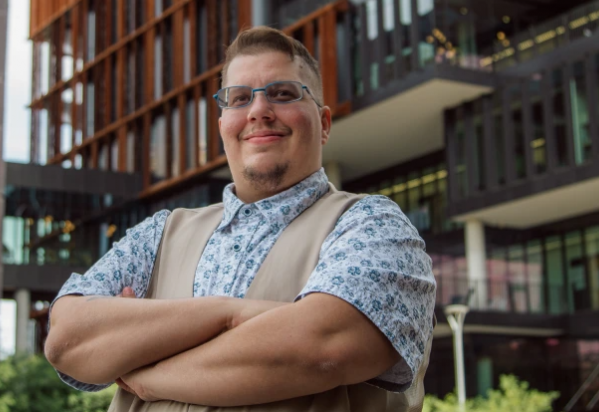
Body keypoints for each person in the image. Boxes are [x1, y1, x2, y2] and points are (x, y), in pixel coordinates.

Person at [45, 27, 437, 412]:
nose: (259, 111)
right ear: (223, 128)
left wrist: (145, 370)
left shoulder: (372, 225)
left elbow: (323, 349)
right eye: (239, 98)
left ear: (325, 124)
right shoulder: (159, 233)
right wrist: (228, 313)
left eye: (283, 94)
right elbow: (66, 340)